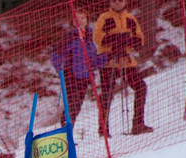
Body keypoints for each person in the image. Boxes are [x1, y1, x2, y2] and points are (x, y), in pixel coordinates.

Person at [93, 0, 153, 136]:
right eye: (114, 1)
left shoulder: (130, 18)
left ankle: (138, 124)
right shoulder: (104, 18)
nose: (118, 3)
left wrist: (127, 41)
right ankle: (103, 129)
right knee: (107, 94)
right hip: (109, 62)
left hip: (127, 61)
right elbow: (97, 37)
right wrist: (115, 39)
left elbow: (140, 39)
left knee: (141, 87)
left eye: (120, 1)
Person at [51, 9, 108, 128]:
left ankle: (67, 132)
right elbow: (56, 54)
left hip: (85, 76)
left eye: (82, 18)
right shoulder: (70, 36)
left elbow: (93, 61)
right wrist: (60, 68)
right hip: (71, 75)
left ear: (87, 20)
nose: (80, 21)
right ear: (72, 21)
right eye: (77, 19)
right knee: (72, 105)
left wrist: (106, 57)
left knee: (77, 106)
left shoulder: (90, 37)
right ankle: (66, 134)